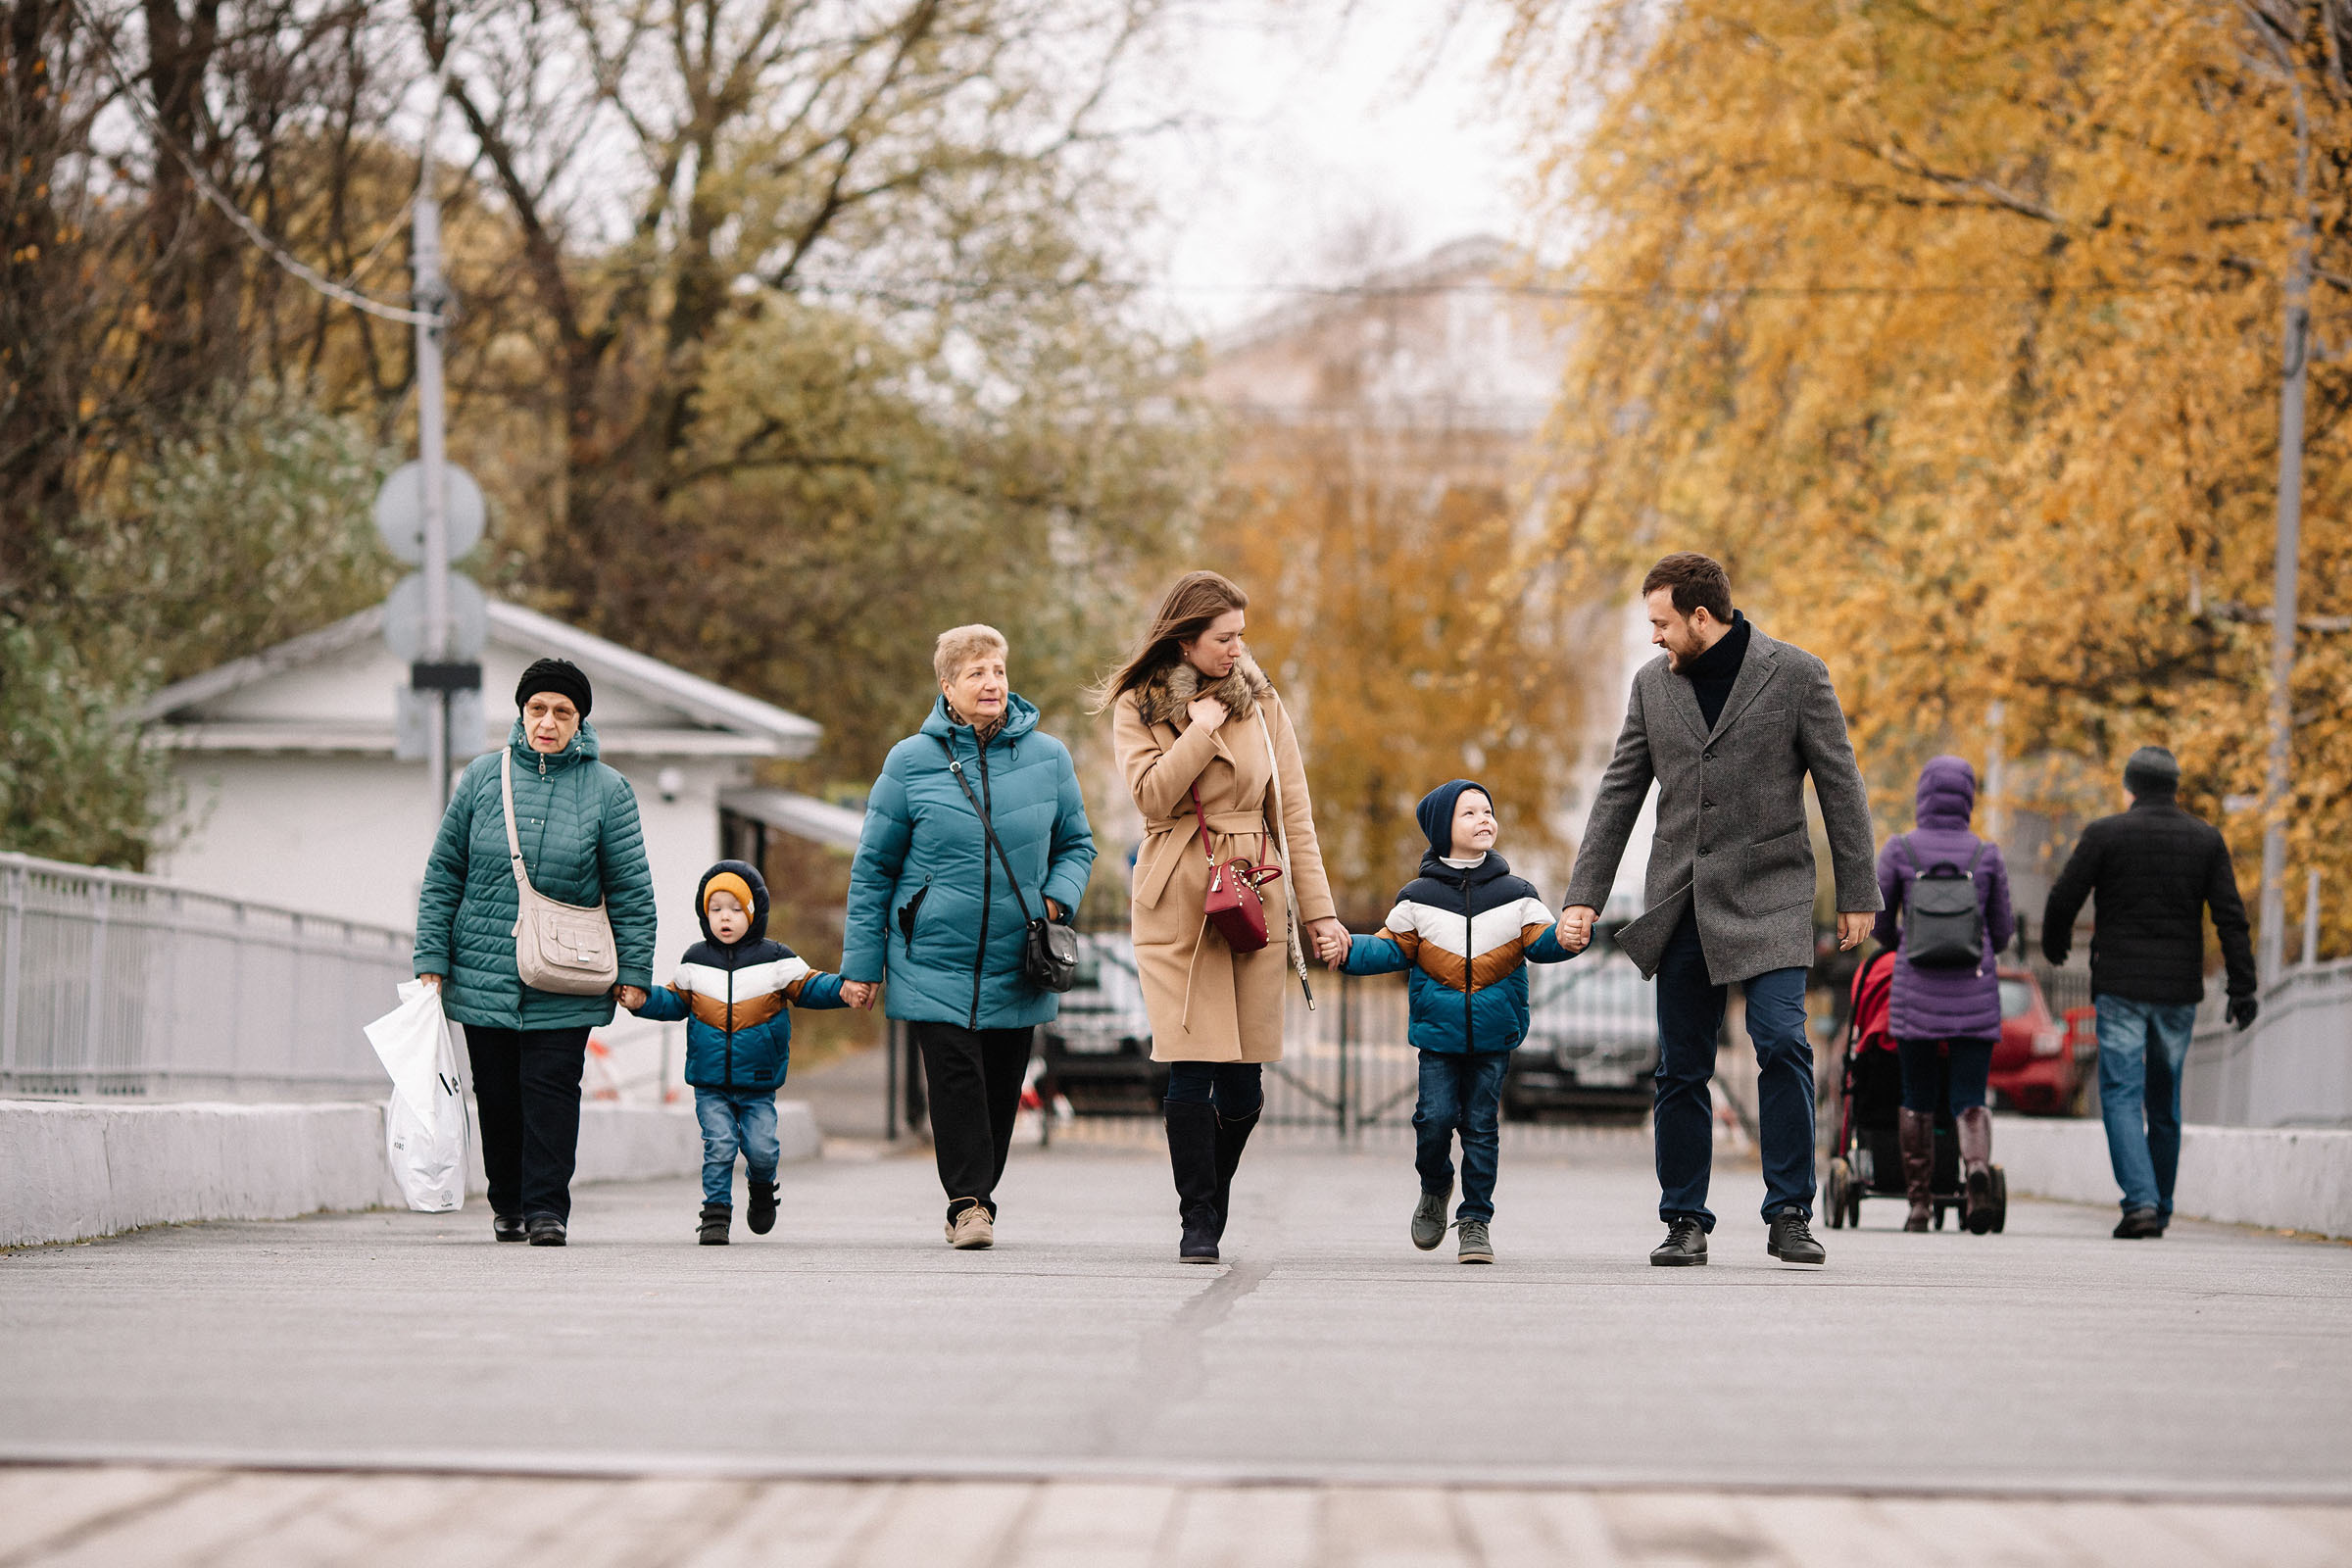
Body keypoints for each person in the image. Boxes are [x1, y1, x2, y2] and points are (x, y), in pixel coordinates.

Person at [1560, 553, 1881, 1268]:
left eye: (1661, 622)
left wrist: (1860, 892)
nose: (1653, 637)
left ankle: (1790, 1212)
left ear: (1702, 617)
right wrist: (1584, 896)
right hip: (1684, 899)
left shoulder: (1796, 674)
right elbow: (1620, 794)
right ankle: (1684, 1220)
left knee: (1782, 1044)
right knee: (1680, 1067)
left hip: (1773, 893)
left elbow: (1841, 784)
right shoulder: (1651, 688)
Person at [1102, 569, 1348, 1264]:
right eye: (1224, 638)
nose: (1239, 649)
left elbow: (1292, 813)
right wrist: (1199, 733)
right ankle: (1198, 1221)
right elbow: (1151, 798)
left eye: (1242, 635)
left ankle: (1210, 1192)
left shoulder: (1263, 704)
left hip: (1251, 891)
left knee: (1243, 1082)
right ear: (1185, 639)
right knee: (1190, 1061)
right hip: (1178, 891)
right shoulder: (1140, 705)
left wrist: (1319, 915)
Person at [840, 625, 1097, 1250]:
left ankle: (980, 1194)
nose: (992, 683)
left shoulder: (1049, 758)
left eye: (999, 671)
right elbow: (873, 869)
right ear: (947, 687)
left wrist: (1055, 898)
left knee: (1002, 1088)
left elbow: (1077, 845)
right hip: (932, 956)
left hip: (1018, 956)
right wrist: (861, 965)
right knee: (954, 1079)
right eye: (976, 672)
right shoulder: (909, 762)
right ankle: (968, 1204)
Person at [414, 658, 659, 1247]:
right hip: (485, 967)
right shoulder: (480, 779)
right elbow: (445, 873)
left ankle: (548, 1208)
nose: (548, 722)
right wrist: (431, 961)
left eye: (562, 712)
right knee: (496, 1096)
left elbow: (630, 887)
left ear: (580, 721)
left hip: (569, 975)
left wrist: (636, 970)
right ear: (522, 713)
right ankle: (509, 1203)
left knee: (551, 1092)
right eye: (537, 709)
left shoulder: (608, 790)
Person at [1334, 779, 1579, 1264]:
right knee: (1434, 1119)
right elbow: (1390, 947)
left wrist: (1569, 937)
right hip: (1438, 1036)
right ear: (1442, 827)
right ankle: (1435, 1184)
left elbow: (1542, 942)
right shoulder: (1417, 896)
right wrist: (1346, 950)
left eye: (1487, 810)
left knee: (1481, 1128)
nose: (1483, 819)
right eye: (1469, 813)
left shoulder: (1519, 894)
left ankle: (1475, 1221)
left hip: (1494, 1035)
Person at [2041, 746, 2257, 1240]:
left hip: (2120, 986)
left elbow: (2063, 896)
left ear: (2130, 786)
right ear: (2174, 786)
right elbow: (2231, 917)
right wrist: (2243, 987)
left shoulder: (2106, 834)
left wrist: (2055, 945)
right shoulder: (2206, 839)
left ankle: (2139, 1200)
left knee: (2120, 1093)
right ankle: (2158, 1205)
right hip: (2178, 991)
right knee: (2165, 1098)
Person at [629, 861, 846, 1245]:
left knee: (762, 1149)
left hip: (758, 1082)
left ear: (752, 913)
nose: (724, 917)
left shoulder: (776, 959)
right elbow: (672, 1001)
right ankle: (715, 1214)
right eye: (715, 909)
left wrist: (845, 990)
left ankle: (762, 1188)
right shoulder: (695, 960)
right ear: (704, 914)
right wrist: (641, 1000)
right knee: (720, 1144)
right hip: (710, 1082)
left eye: (734, 909)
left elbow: (811, 985)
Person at [1873, 756, 2015, 1234]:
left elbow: (1877, 921)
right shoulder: (1986, 855)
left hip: (1917, 994)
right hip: (1975, 995)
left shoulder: (1900, 850)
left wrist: (1906, 945)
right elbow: (2003, 930)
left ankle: (1920, 1204)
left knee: (1918, 1098)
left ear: (1923, 794)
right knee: (1969, 1097)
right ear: (1969, 798)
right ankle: (1975, 1173)